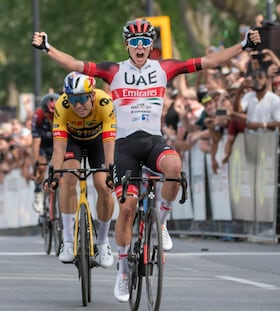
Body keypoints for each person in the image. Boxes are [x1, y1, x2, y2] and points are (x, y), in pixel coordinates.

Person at [32, 19, 260, 303]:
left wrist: (243, 45)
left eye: (145, 41)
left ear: (151, 44)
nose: (140, 47)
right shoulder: (113, 70)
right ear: (126, 44)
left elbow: (209, 61)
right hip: (123, 145)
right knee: (126, 208)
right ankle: (123, 270)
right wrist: (47, 48)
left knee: (175, 169)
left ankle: (161, 223)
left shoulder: (164, 68)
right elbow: (76, 65)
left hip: (153, 140)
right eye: (134, 42)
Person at [47, 72, 116, 268]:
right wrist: (54, 173)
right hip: (72, 142)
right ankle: (68, 242)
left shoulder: (105, 102)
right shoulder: (62, 105)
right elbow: (59, 147)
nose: (78, 105)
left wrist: (111, 170)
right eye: (73, 100)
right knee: (67, 180)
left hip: (98, 142)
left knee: (103, 185)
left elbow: (110, 141)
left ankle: (103, 243)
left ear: (92, 95)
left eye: (83, 99)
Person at [31, 93, 60, 214]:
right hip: (43, 145)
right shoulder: (38, 117)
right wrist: (35, 166)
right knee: (41, 167)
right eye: (48, 115)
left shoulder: (63, 117)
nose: (51, 118)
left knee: (60, 172)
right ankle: (38, 191)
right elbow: (35, 145)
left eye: (54, 116)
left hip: (57, 144)